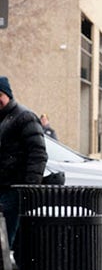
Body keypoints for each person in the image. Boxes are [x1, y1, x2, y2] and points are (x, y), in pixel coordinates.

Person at [0, 77, 47, 250]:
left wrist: (29, 187)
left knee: (5, 239)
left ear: (8, 94)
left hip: (14, 189)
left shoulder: (24, 117)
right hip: (5, 188)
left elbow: (38, 154)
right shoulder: (4, 118)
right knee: (8, 239)